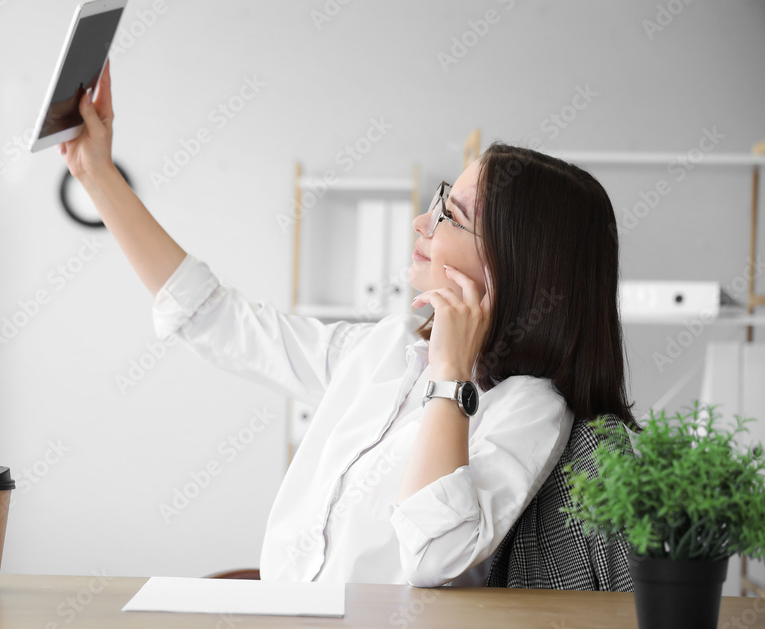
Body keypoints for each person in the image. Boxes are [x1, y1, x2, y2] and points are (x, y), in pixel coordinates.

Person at [58, 61, 640, 588]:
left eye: (449, 216)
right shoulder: (387, 348)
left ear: (511, 267)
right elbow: (217, 319)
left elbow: (435, 554)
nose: (422, 222)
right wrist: (95, 173)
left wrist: (448, 375)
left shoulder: (531, 410)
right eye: (439, 200)